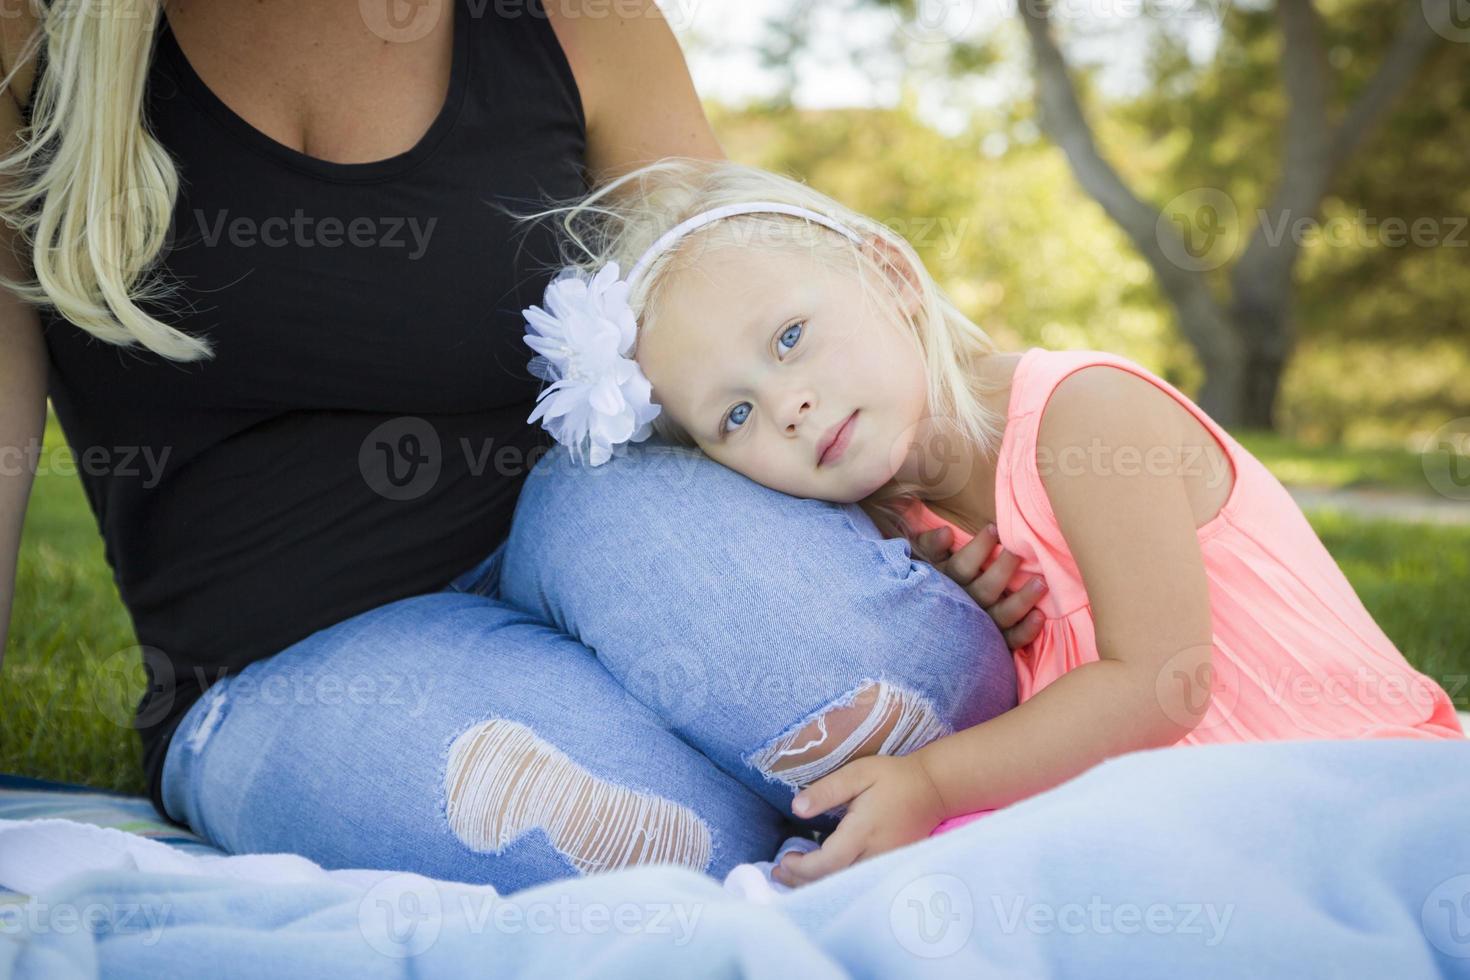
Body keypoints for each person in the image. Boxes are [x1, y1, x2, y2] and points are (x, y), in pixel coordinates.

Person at [0, 1, 1032, 892]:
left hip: (595, 519)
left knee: (911, 683)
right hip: (285, 652)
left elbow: (746, 325)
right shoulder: (30, 44)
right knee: (642, 838)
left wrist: (889, 530)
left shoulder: (582, 24)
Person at [512, 156, 1467, 887]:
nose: (788, 406)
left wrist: (929, 784)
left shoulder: (1087, 417)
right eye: (734, 416)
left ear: (887, 274)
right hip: (1157, 816)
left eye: (791, 339)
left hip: (1326, 774)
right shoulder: (907, 530)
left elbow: (1160, 687)